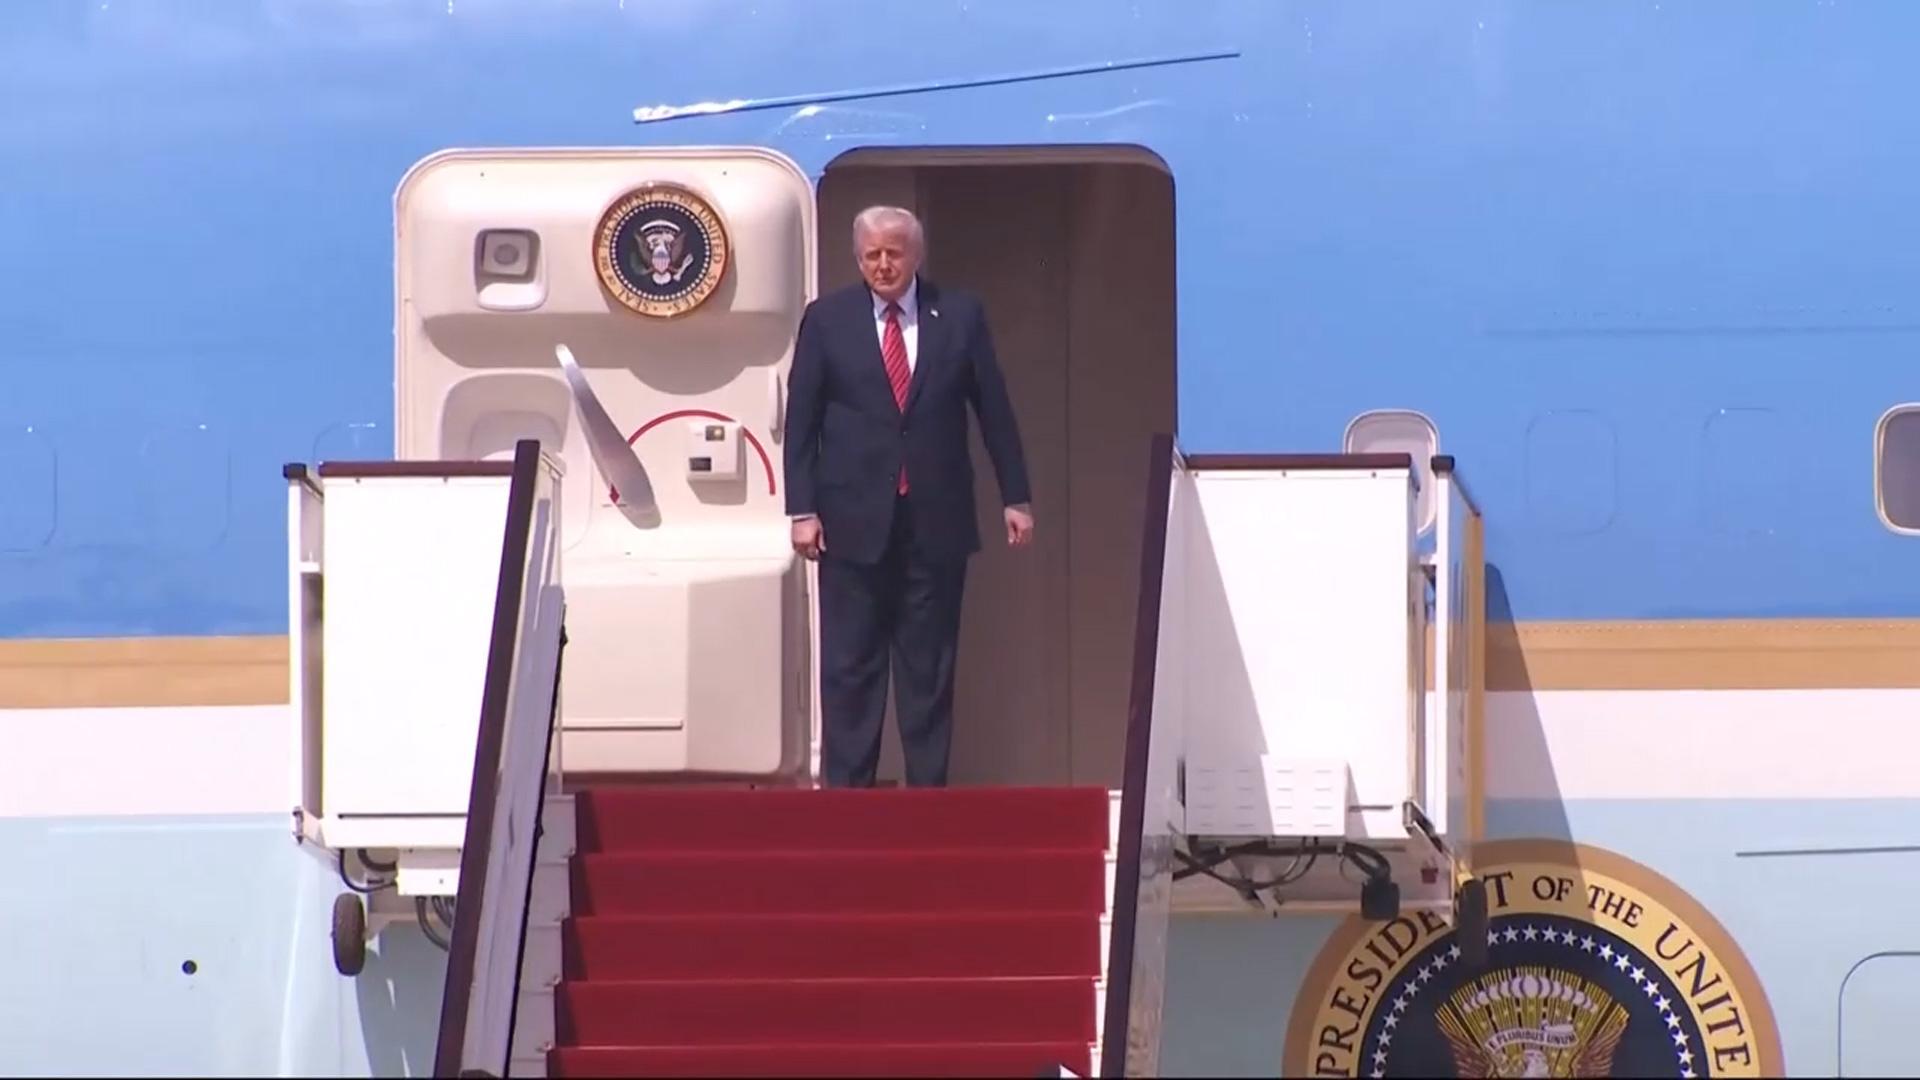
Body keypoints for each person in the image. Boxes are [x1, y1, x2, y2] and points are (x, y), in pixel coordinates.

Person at [782, 205, 1034, 788]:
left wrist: (1016, 496)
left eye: (893, 253)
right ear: (858, 258)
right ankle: (849, 797)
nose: (883, 264)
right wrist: (802, 509)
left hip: (934, 521)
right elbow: (802, 420)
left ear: (915, 255)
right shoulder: (828, 319)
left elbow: (994, 410)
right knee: (851, 666)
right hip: (850, 523)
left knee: (928, 668)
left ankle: (927, 799)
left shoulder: (960, 315)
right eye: (871, 254)